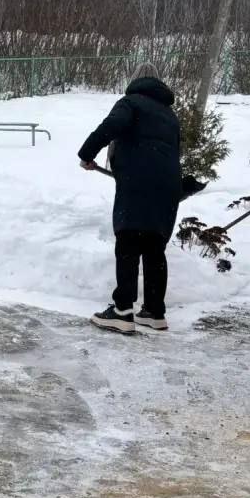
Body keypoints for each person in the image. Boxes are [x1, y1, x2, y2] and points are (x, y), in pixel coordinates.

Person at [77, 65, 182, 334]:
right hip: (168, 185)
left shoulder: (131, 102)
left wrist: (87, 153)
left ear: (134, 81)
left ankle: (122, 310)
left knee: (129, 240)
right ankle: (154, 311)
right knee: (154, 244)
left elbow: (111, 126)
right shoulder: (170, 114)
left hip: (137, 182)